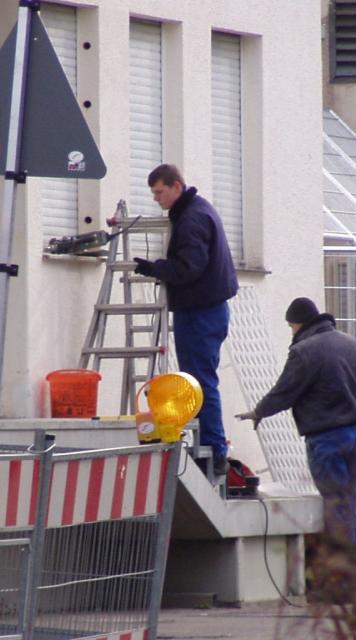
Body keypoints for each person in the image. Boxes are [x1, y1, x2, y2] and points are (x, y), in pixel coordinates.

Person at [236, 297, 356, 552]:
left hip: (325, 439)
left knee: (336, 509)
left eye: (290, 326)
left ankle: (346, 578)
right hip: (353, 435)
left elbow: (286, 391)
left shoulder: (305, 350)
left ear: (298, 323)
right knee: (348, 505)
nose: (291, 331)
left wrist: (259, 412)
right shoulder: (352, 344)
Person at [134, 164, 238, 475]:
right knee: (199, 380)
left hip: (200, 311)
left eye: (160, 192)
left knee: (198, 381)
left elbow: (189, 267)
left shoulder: (192, 219)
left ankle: (215, 448)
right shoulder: (197, 211)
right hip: (207, 308)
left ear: (176, 186)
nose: (157, 199)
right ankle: (212, 444)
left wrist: (156, 269)